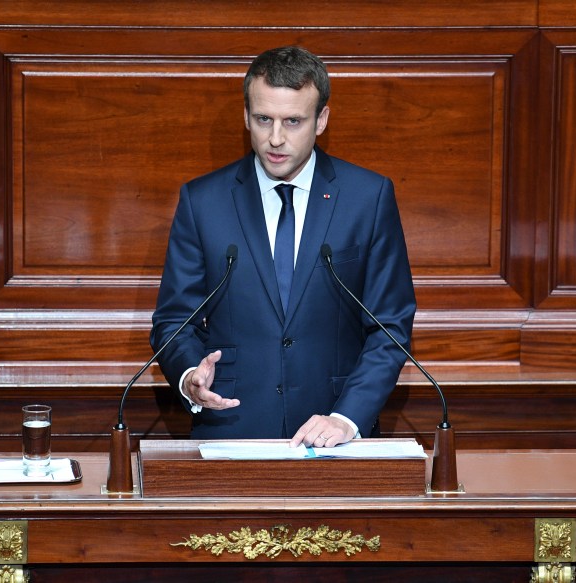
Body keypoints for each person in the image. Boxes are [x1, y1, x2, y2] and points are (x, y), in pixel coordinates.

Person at [151, 46, 415, 448]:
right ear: (246, 116)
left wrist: (347, 418)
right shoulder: (202, 201)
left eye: (293, 121)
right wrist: (190, 376)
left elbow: (389, 328)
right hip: (232, 429)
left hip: (335, 435)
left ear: (321, 119)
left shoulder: (369, 197)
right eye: (263, 119)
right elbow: (174, 322)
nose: (276, 138)